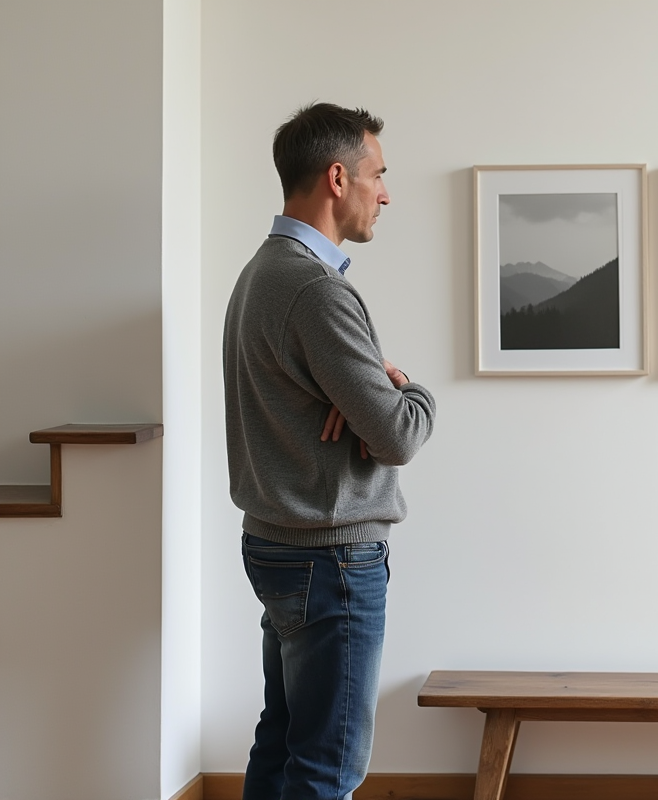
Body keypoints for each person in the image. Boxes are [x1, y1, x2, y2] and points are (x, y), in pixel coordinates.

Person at [223, 102, 436, 800]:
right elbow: (399, 433)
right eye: (378, 174)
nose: (386, 192)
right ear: (337, 177)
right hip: (331, 557)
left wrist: (367, 396)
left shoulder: (264, 271)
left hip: (282, 545)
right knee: (327, 766)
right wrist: (407, 387)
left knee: (285, 742)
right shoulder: (315, 289)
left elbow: (364, 419)